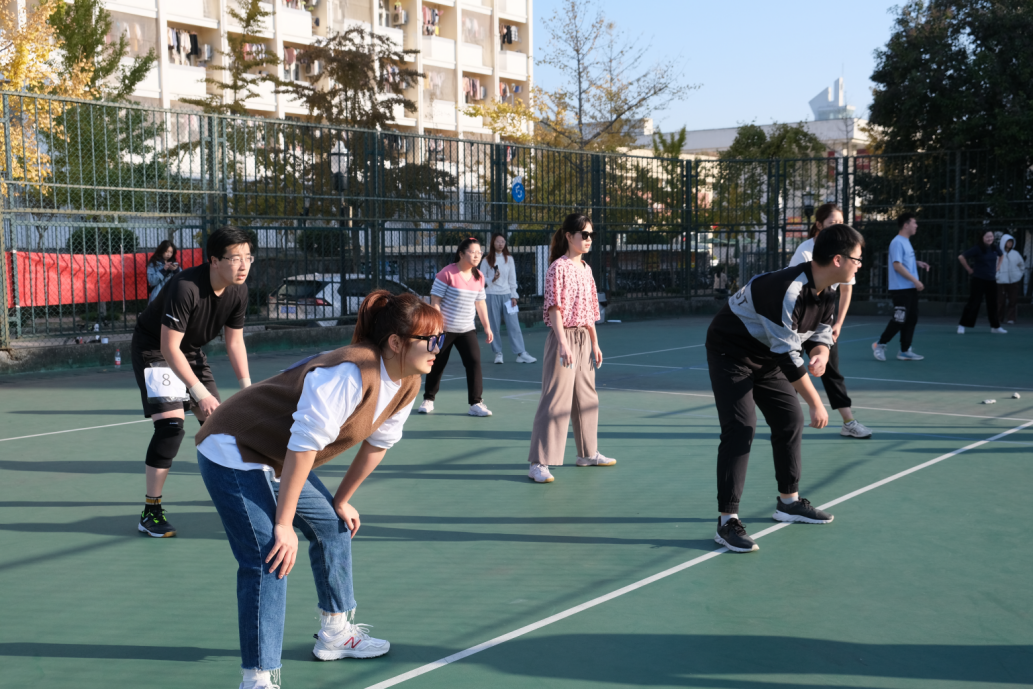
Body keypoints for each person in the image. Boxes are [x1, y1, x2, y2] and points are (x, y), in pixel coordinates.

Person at [195, 291, 444, 689]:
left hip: (276, 453)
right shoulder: (348, 373)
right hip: (233, 446)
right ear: (397, 343)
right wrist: (283, 524)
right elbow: (303, 447)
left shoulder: (407, 381)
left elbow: (377, 445)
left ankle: (335, 633)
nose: (437, 348)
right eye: (430, 340)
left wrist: (341, 500)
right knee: (269, 556)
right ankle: (258, 677)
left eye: (440, 339)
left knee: (333, 525)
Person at [706, 224, 864, 553]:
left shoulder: (828, 290)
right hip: (731, 353)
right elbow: (789, 358)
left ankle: (788, 502)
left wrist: (820, 355)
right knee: (741, 427)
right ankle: (727, 521)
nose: (859, 265)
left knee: (789, 419)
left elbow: (821, 335)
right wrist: (816, 402)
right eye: (857, 259)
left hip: (766, 355)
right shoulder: (789, 290)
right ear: (838, 260)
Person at [131, 226, 254, 538]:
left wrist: (247, 389)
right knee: (171, 427)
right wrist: (200, 393)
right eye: (235, 258)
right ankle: (151, 511)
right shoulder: (185, 286)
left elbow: (235, 342)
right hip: (155, 348)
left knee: (220, 429)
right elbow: (169, 347)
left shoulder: (238, 291)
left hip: (189, 351)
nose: (243, 265)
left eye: (248, 257)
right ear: (214, 260)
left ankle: (242, 500)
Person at [527, 213, 616, 483]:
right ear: (569, 236)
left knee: (587, 397)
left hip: (584, 338)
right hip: (562, 336)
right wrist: (563, 343)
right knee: (555, 399)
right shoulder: (558, 268)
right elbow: (554, 308)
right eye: (584, 235)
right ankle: (538, 462)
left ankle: (587, 453)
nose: (589, 239)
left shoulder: (586, 269)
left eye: (591, 235)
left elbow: (590, 310)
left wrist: (595, 342)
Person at [788, 203, 872, 440]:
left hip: (822, 318)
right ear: (819, 225)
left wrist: (837, 324)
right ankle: (786, 422)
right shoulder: (806, 251)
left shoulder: (846, 255)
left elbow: (845, 290)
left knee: (831, 370)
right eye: (832, 223)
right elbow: (794, 288)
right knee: (790, 369)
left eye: (840, 223)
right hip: (798, 319)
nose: (837, 226)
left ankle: (848, 422)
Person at [418, 237, 495, 416]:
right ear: (461, 254)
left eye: (479, 252)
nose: (477, 256)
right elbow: (435, 300)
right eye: (472, 252)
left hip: (467, 329)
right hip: (445, 329)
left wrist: (487, 326)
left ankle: (476, 403)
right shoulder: (447, 273)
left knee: (474, 362)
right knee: (437, 364)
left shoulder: (479, 276)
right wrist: (437, 327)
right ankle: (428, 399)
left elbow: (480, 303)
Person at [873, 212, 930, 362]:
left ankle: (905, 350)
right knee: (899, 319)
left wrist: (917, 263)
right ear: (906, 225)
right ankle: (880, 345)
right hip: (900, 288)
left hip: (909, 288)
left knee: (911, 318)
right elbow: (897, 265)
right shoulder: (897, 242)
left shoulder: (905, 242)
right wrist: (915, 281)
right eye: (914, 223)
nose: (916, 225)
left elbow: (903, 261)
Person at [480, 233, 537, 365]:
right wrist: (492, 278)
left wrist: (514, 296)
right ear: (493, 243)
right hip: (491, 295)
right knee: (493, 325)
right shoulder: (486, 260)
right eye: (498, 241)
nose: (501, 244)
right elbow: (481, 279)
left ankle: (521, 353)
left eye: (503, 241)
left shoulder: (509, 259)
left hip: (507, 296)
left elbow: (512, 279)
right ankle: (498, 353)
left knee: (514, 325)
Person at [957, 230, 1006, 334]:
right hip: (978, 280)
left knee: (992, 304)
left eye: (991, 236)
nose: (990, 238)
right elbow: (961, 257)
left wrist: (998, 267)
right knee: (974, 303)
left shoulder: (995, 248)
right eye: (987, 237)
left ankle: (995, 327)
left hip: (991, 280)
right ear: (982, 238)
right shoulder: (977, 248)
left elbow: (1001, 255)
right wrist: (969, 269)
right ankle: (962, 325)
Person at [996, 233, 1026, 325]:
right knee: (1000, 300)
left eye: (1011, 242)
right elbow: (994, 266)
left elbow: (1022, 265)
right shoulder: (998, 254)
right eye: (1008, 242)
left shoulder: (1015, 254)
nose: (1010, 244)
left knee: (1013, 300)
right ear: (1003, 242)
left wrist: (1018, 275)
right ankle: (999, 318)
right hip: (1001, 281)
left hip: (1013, 281)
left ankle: (1011, 318)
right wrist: (997, 276)